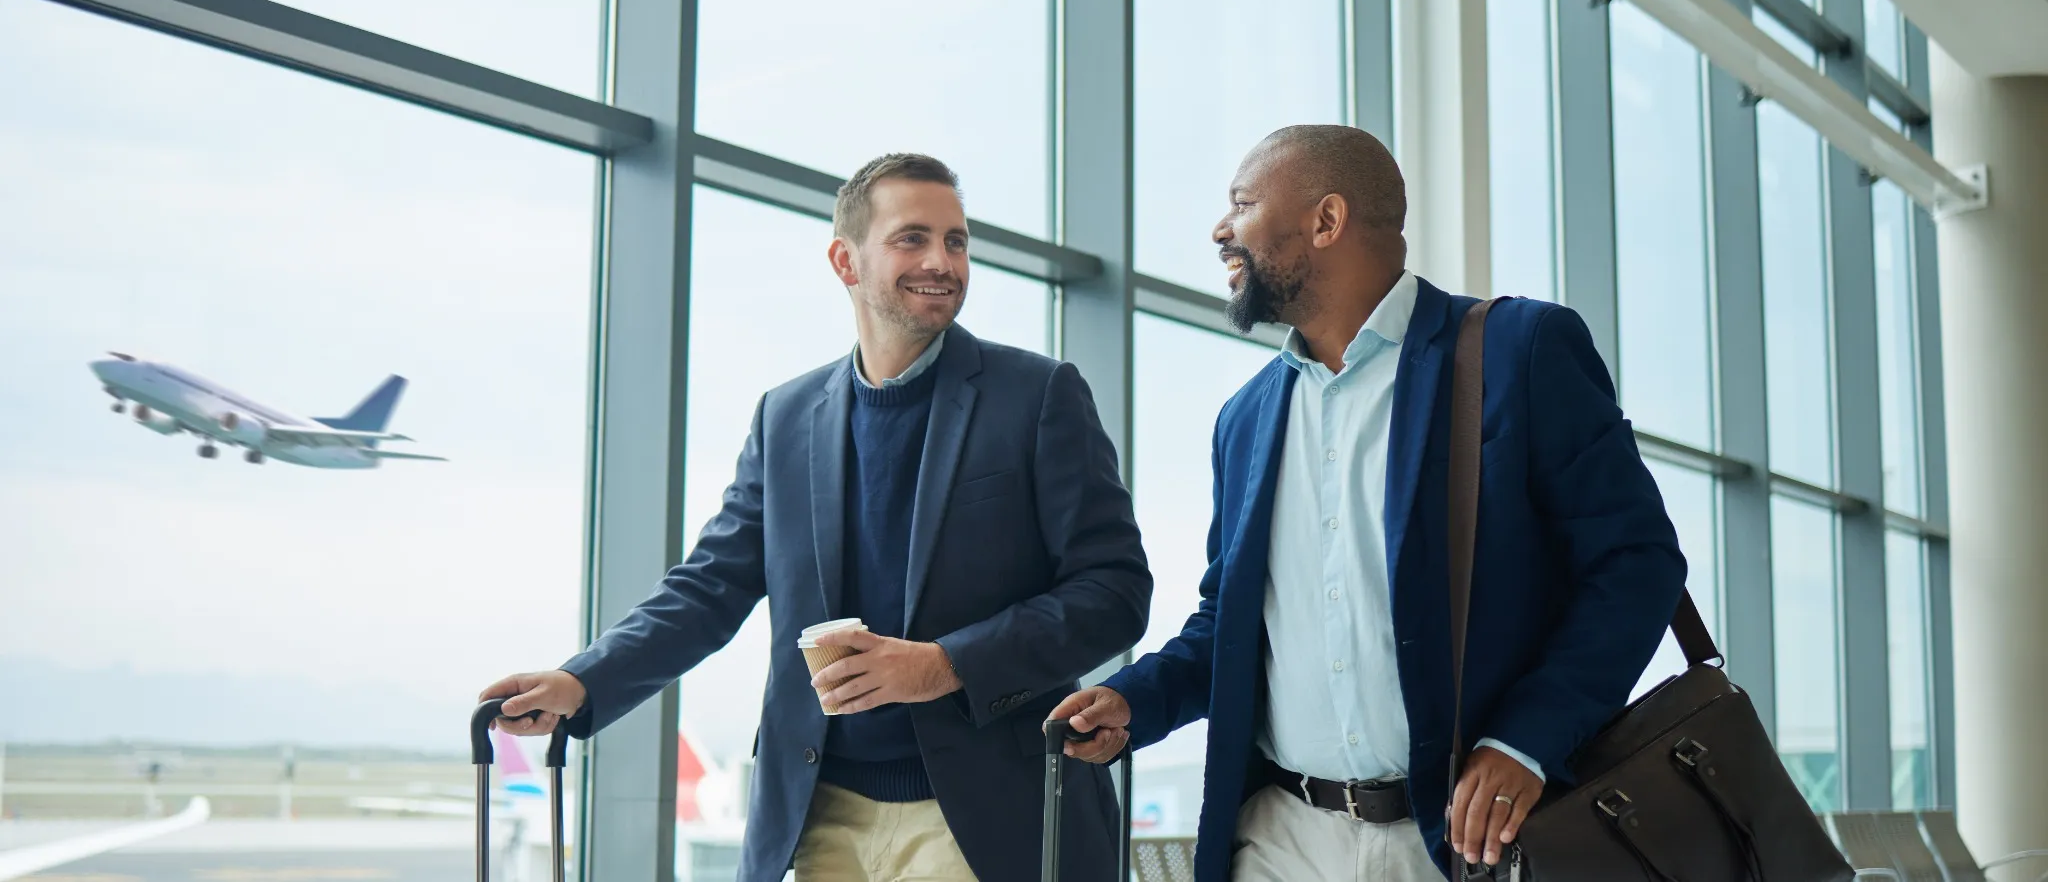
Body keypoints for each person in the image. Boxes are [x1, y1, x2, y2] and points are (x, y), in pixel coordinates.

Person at [482, 153, 1151, 882]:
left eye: (956, 241)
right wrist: (583, 683)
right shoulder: (787, 417)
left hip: (991, 816)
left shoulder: (1039, 394)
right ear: (846, 260)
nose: (942, 261)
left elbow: (1114, 592)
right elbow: (708, 589)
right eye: (912, 238)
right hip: (818, 816)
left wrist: (944, 666)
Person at [1050, 125, 1686, 881]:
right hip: (1281, 839)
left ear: (1326, 221)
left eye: (1242, 204)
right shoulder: (1246, 418)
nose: (1221, 230)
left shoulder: (1520, 350)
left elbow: (1636, 564)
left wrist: (1526, 741)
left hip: (1462, 843)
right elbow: (1232, 623)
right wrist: (1134, 702)